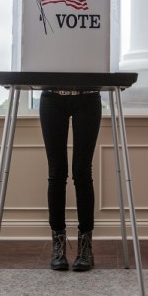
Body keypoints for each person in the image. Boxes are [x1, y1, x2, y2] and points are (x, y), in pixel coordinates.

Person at [39, 89, 102, 271]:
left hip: (88, 97)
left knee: (82, 173)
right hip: (52, 97)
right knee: (56, 173)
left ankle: (85, 248)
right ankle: (58, 247)